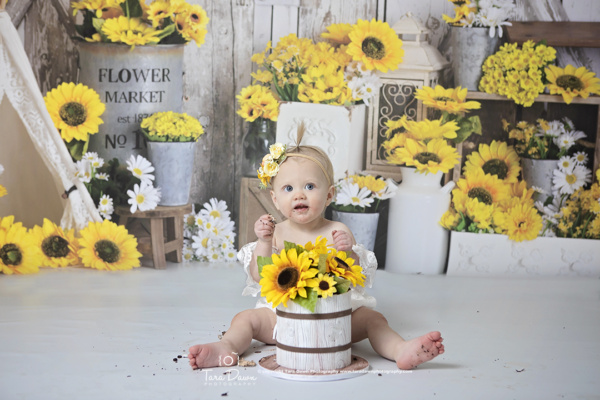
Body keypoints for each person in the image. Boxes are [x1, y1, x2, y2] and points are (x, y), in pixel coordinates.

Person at [188, 126, 444, 370]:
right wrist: (264, 243)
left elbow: (355, 277)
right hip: (283, 318)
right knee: (246, 319)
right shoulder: (276, 233)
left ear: (330, 195)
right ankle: (227, 348)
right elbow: (258, 277)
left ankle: (400, 349)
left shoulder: (337, 232)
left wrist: (348, 253)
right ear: (275, 200)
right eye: (288, 188)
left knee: (372, 319)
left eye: (309, 186)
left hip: (334, 321)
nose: (299, 195)